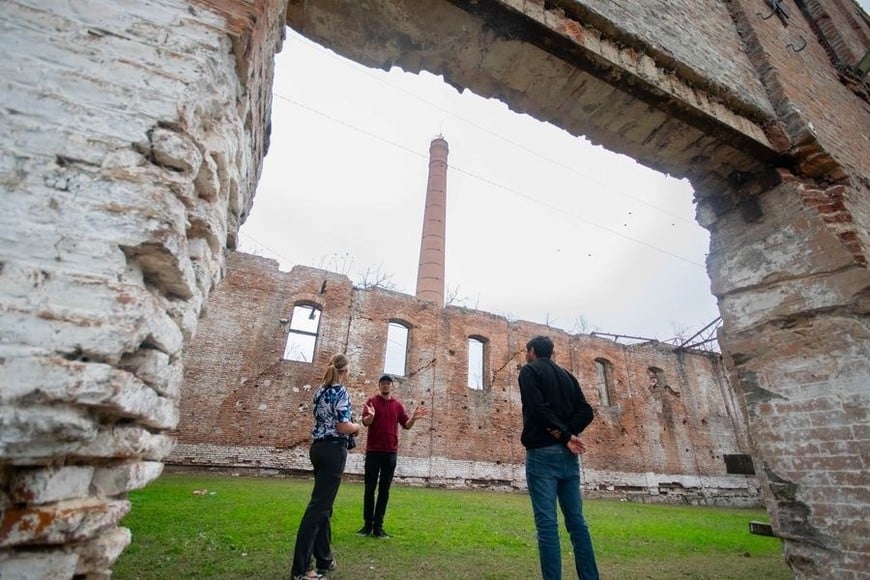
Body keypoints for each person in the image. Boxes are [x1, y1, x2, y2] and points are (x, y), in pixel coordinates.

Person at [518, 336, 599, 580]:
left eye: (526, 351)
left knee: (547, 525)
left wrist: (564, 434)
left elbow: (537, 408)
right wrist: (568, 434)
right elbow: (586, 410)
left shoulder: (529, 371)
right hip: (567, 455)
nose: (525, 355)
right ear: (551, 353)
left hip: (542, 455)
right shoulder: (568, 376)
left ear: (532, 351)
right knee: (577, 522)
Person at [290, 353, 363, 580]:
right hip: (333, 450)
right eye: (349, 369)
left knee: (324, 507)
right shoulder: (340, 391)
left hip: (318, 449)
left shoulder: (319, 391)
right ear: (345, 371)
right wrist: (357, 426)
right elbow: (342, 426)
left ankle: (324, 558)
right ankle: (301, 570)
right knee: (318, 508)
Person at [356, 374, 428, 538]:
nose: (386, 386)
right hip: (373, 451)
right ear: (379, 385)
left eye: (388, 383)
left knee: (384, 490)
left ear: (392, 386)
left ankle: (378, 527)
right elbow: (365, 423)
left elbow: (406, 426)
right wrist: (371, 416)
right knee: (369, 489)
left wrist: (414, 419)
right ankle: (367, 526)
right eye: (383, 383)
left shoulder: (397, 405)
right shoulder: (371, 402)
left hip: (390, 453)